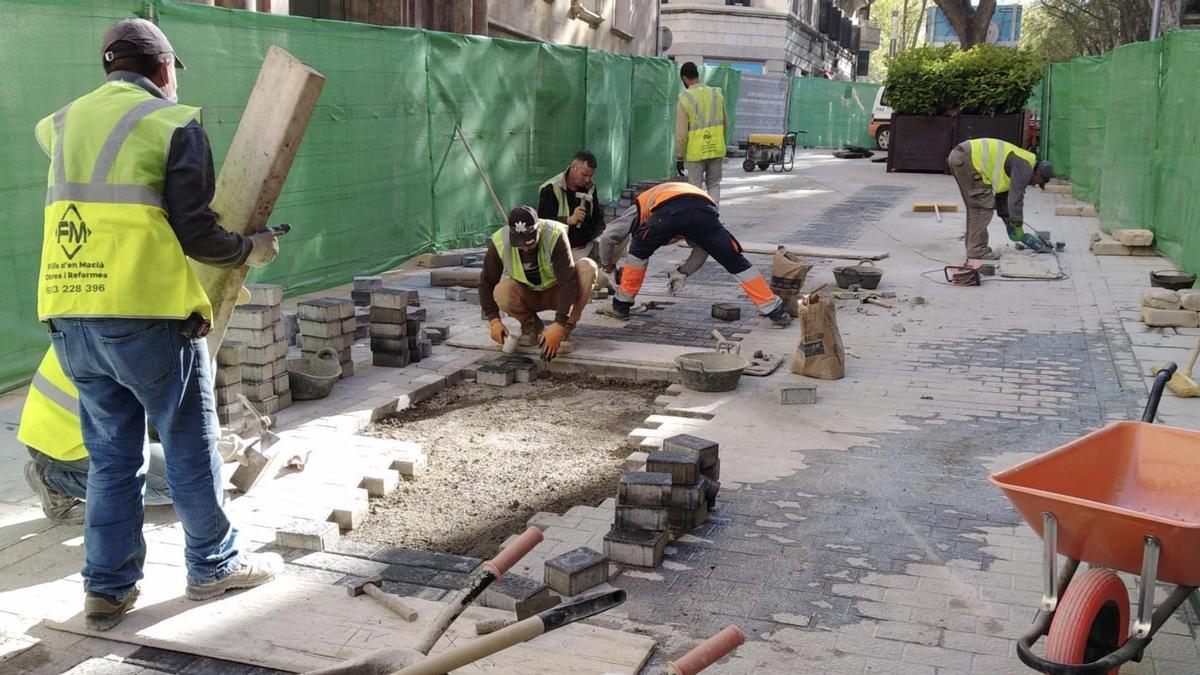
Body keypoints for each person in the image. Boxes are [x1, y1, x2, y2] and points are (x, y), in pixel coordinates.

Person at [34, 18, 283, 631]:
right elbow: (196, 231)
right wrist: (251, 248)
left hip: (71, 316)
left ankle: (108, 588)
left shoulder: (62, 124)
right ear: (165, 70)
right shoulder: (174, 124)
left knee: (114, 459)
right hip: (146, 316)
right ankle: (214, 564)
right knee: (189, 440)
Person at [597, 182, 792, 327]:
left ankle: (621, 306)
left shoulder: (641, 204)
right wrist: (683, 272)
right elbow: (703, 247)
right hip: (704, 212)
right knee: (734, 260)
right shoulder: (691, 197)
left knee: (638, 249)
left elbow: (608, 237)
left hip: (670, 211)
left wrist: (607, 265)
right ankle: (775, 311)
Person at [20, 349, 173, 525]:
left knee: (189, 470)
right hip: (64, 441)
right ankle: (52, 479)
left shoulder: (114, 326)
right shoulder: (142, 343)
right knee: (178, 483)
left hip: (58, 428)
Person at [479, 206, 597, 361]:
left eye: (530, 243)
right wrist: (494, 320)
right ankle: (531, 325)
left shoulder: (554, 234)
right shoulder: (501, 241)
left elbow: (567, 283)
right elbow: (486, 283)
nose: (526, 249)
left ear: (539, 228)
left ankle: (566, 328)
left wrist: (559, 324)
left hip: (558, 292)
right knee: (502, 291)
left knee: (588, 268)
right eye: (521, 245)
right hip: (530, 294)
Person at [946, 137, 1053, 260]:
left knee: (980, 205)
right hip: (967, 159)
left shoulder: (1023, 163)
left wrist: (1010, 224)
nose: (1034, 185)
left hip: (963, 157)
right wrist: (1017, 225)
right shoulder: (1025, 167)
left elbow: (1003, 197)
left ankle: (974, 247)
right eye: (1038, 182)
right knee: (982, 207)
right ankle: (976, 250)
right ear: (1038, 173)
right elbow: (1016, 199)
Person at [676, 62, 729, 203]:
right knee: (714, 185)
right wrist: (719, 141)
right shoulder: (716, 94)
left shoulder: (684, 99)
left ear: (684, 78)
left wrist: (679, 157)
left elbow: (681, 134)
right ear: (697, 75)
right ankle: (712, 217)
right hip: (716, 149)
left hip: (696, 153)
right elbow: (725, 123)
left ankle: (699, 221)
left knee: (695, 190)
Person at [537, 150, 605, 260]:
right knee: (586, 270)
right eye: (584, 175)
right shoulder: (551, 188)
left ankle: (605, 266)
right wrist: (569, 220)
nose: (587, 179)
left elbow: (598, 215)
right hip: (564, 248)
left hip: (588, 244)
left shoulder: (590, 187)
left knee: (618, 236)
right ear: (573, 168)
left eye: (590, 176)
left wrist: (599, 235)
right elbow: (543, 223)